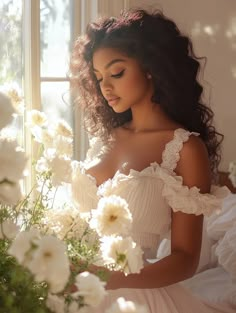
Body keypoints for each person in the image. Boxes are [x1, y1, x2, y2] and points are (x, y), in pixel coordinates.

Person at [69, 9, 235, 313]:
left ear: (150, 68)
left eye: (116, 73)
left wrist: (108, 278)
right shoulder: (107, 138)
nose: (106, 87)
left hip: (128, 294)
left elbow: (185, 259)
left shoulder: (184, 148)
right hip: (73, 286)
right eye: (99, 77)